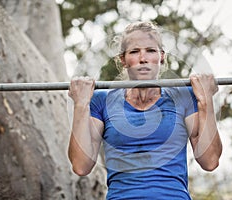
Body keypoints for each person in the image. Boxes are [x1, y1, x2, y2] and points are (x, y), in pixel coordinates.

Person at [68, 21, 222, 199]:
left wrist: (206, 100)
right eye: (134, 51)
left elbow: (210, 161)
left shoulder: (184, 98)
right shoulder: (101, 101)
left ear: (161, 56)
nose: (143, 58)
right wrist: (80, 105)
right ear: (123, 60)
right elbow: (81, 166)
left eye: (150, 50)